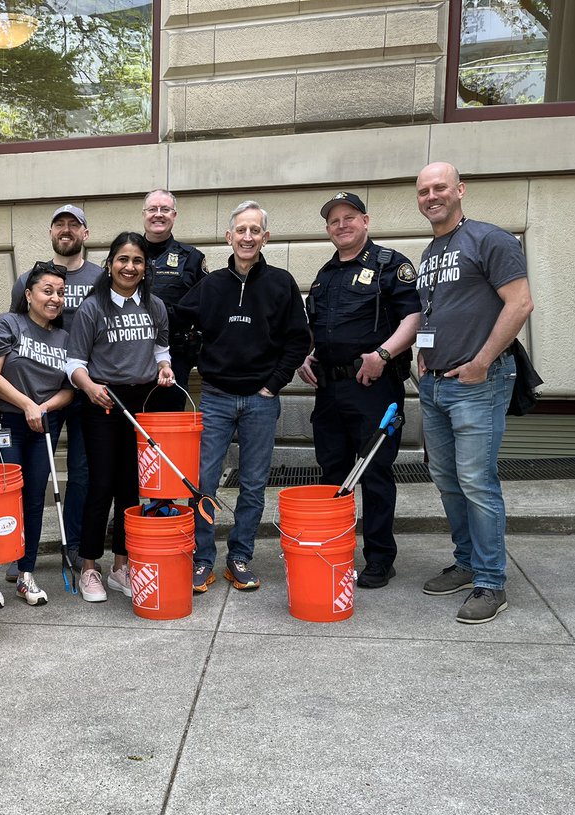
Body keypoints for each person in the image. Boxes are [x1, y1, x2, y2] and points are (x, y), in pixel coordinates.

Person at [415, 162, 534, 624]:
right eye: (424, 190)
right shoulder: (432, 250)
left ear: (459, 190)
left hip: (476, 384)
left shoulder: (490, 239)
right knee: (446, 480)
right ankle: (466, 562)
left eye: (440, 187)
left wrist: (482, 362)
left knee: (478, 483)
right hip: (436, 383)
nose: (431, 196)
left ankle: (490, 581)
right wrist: (424, 353)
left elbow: (520, 302)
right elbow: (435, 310)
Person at [177, 202, 311, 593]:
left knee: (253, 484)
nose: (248, 237)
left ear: (265, 237)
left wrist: (273, 383)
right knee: (204, 483)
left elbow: (298, 340)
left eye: (255, 230)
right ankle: (203, 560)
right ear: (229, 237)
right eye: (241, 230)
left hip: (260, 399)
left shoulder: (281, 283)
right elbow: (179, 323)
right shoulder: (212, 285)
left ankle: (240, 557)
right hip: (216, 398)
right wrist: (199, 354)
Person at [298, 192, 421, 589]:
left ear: (365, 221)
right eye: (334, 221)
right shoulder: (325, 275)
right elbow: (317, 329)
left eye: (349, 217)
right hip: (329, 390)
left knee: (375, 473)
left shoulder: (391, 265)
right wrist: (305, 355)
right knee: (332, 473)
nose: (342, 225)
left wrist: (383, 354)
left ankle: (380, 559)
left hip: (373, 387)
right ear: (328, 229)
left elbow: (414, 317)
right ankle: (336, 549)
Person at [65, 232, 174, 603]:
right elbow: (74, 363)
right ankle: (90, 567)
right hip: (103, 401)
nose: (130, 267)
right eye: (123, 259)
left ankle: (120, 566)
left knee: (132, 487)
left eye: (138, 261)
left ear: (146, 269)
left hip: (142, 401)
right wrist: (90, 388)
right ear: (110, 263)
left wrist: (164, 367)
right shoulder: (92, 308)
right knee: (101, 485)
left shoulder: (155, 306)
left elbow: (162, 348)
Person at [8, 204, 102, 571]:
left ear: (85, 234)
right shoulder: (29, 279)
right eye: (59, 225)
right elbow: (17, 329)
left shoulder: (100, 278)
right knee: (34, 475)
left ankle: (76, 545)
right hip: (43, 394)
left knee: (81, 472)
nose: (66, 230)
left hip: (86, 390)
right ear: (50, 233)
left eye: (74, 225)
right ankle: (21, 553)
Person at [0, 261, 75, 606]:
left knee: (34, 500)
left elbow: (70, 390)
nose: (54, 298)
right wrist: (27, 404)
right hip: (7, 423)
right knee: (2, 499)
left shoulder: (65, 337)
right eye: (47, 291)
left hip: (44, 425)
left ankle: (26, 573)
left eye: (60, 292)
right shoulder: (8, 324)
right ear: (28, 294)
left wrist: (44, 408)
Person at [141, 189, 206, 411]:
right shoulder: (126, 254)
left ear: (174, 215)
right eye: (152, 209)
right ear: (144, 214)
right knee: (131, 423)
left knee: (168, 422)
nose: (158, 214)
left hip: (176, 354)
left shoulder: (192, 258)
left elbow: (201, 308)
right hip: (130, 352)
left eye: (165, 210)